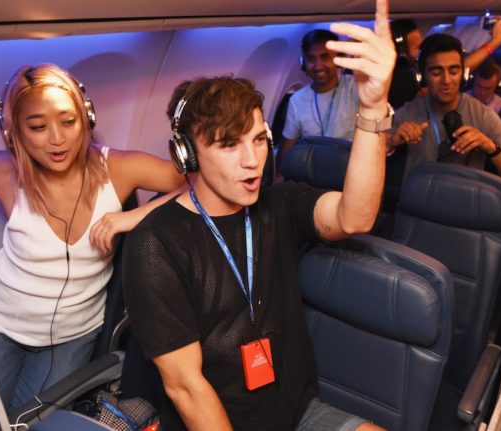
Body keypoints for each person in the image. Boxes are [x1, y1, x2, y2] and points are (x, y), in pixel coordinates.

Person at [123, 0, 395, 429]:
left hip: (296, 412)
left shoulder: (278, 204)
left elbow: (354, 217)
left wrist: (374, 107)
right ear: (187, 156)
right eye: (229, 145)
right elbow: (187, 388)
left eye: (257, 140)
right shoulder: (155, 244)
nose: (252, 161)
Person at [0, 64, 184, 413]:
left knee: (29, 422)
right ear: (13, 133)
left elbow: (200, 181)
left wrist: (131, 217)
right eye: (38, 127)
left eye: (68, 121)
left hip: (70, 337)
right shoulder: (3, 172)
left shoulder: (117, 168)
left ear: (86, 119)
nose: (57, 138)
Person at [388, 33, 501, 187]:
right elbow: (372, 159)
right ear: (422, 76)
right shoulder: (408, 112)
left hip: (467, 199)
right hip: (418, 200)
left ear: (464, 75)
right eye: (436, 73)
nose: (446, 80)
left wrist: (490, 146)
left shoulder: (484, 115)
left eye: (454, 72)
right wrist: (392, 143)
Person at [388, 16, 501, 110]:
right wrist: (495, 41)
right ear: (401, 53)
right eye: (416, 48)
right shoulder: (399, 78)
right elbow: (462, 67)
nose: (446, 79)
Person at [279, 28, 358, 161]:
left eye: (325, 57)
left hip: (350, 167)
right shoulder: (296, 100)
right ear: (303, 63)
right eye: (311, 59)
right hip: (313, 170)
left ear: (338, 59)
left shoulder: (355, 87)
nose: (318, 66)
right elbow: (286, 152)